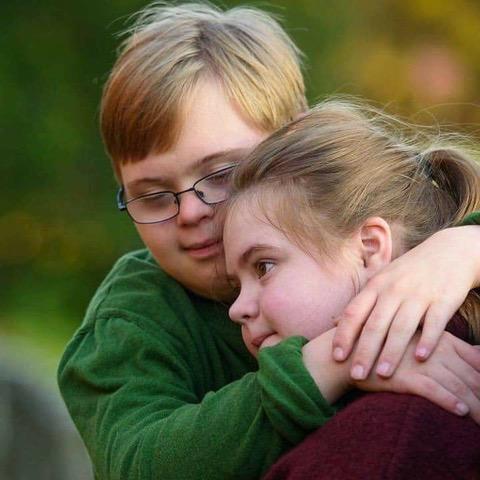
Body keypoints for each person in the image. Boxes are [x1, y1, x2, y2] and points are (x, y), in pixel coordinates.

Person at [57, 3, 480, 479]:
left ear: (295, 139)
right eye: (153, 196)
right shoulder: (131, 321)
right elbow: (138, 463)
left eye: (223, 173)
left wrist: (465, 249)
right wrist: (335, 361)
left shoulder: (370, 219)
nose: (192, 212)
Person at [222, 99, 480, 478]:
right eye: (234, 286)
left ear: (369, 249)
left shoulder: (385, 437)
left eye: (263, 266)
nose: (236, 309)